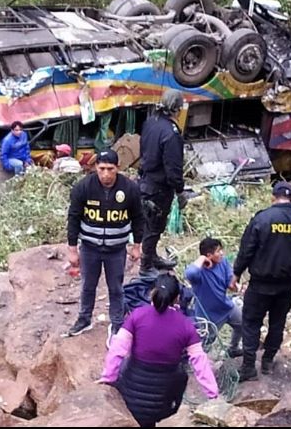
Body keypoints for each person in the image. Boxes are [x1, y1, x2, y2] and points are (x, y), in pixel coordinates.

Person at [97, 274, 219, 428]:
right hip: (164, 403)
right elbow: (200, 364)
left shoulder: (137, 316)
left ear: (151, 293)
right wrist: (213, 395)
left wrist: (107, 378)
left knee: (126, 363)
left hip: (131, 396)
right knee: (181, 373)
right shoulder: (186, 326)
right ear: (177, 299)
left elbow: (117, 349)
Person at [231, 181, 291, 381]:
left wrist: (236, 273)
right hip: (288, 285)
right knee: (277, 322)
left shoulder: (262, 218)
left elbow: (247, 250)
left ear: (273, 197)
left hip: (261, 283)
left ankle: (248, 367)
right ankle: (268, 361)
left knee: (251, 322)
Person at [65, 150, 144, 341]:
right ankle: (84, 319)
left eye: (110, 169)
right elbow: (74, 218)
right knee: (87, 286)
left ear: (118, 168)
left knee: (116, 287)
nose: (106, 174)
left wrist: (137, 245)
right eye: (102, 169)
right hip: (90, 248)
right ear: (95, 168)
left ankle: (117, 324)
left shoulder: (130, 189)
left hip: (116, 250)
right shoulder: (83, 187)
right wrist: (72, 249)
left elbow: (138, 218)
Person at [139, 89, 193, 275]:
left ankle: (152, 257)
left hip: (146, 181)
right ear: (177, 109)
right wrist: (180, 191)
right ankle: (146, 267)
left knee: (149, 224)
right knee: (154, 227)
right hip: (160, 188)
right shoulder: (171, 133)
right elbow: (173, 167)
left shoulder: (150, 123)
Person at [184, 237, 243, 357]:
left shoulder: (223, 262)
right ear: (209, 255)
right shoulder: (199, 273)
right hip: (209, 316)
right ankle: (196, 367)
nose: (221, 253)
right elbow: (189, 273)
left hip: (226, 307)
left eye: (221, 250)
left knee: (243, 324)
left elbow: (229, 281)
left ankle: (233, 348)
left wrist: (237, 286)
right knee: (205, 345)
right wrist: (202, 259)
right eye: (218, 251)